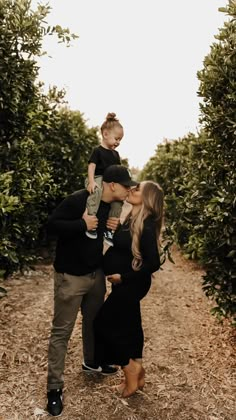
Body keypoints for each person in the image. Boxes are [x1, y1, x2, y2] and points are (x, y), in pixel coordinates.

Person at [46, 165, 137, 416]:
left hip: (95, 275)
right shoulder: (78, 200)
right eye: (125, 185)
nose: (128, 188)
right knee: (61, 333)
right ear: (111, 185)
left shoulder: (112, 209)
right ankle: (54, 389)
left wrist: (116, 229)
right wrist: (81, 223)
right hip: (70, 276)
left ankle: (91, 361)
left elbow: (110, 241)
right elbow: (51, 226)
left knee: (95, 322)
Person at [94, 180, 164, 398]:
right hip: (124, 283)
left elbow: (153, 263)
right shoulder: (131, 217)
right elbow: (115, 246)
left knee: (103, 323)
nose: (132, 189)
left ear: (148, 198)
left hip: (131, 284)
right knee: (131, 325)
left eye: (138, 189)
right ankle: (137, 375)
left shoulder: (147, 223)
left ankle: (129, 368)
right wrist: (109, 230)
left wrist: (123, 277)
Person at [85, 112, 124, 246]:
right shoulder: (97, 151)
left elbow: (118, 171)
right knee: (96, 191)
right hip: (97, 179)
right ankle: (91, 220)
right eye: (116, 138)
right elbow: (91, 166)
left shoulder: (116, 154)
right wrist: (91, 182)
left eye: (120, 140)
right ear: (106, 134)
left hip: (109, 183)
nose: (118, 142)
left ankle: (110, 230)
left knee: (118, 201)